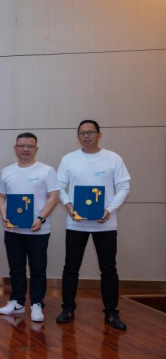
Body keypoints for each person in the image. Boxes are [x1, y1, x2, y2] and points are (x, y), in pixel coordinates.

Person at [56, 120, 131, 330]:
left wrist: (109, 209)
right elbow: (58, 187)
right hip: (76, 224)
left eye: (90, 132)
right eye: (82, 133)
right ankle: (67, 309)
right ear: (78, 136)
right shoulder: (69, 159)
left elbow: (124, 187)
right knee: (71, 267)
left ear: (99, 134)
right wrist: (69, 206)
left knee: (108, 269)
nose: (86, 136)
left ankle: (111, 313)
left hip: (105, 224)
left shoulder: (113, 158)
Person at [0, 133, 60, 322]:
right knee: (16, 268)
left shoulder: (46, 170)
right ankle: (17, 301)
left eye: (30, 146)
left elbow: (54, 196)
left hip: (38, 230)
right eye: (21, 146)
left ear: (36, 149)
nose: (25, 149)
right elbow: (0, 196)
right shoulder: (7, 171)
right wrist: (4, 213)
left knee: (38, 269)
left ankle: (37, 304)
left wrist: (41, 218)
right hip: (13, 229)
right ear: (15, 148)